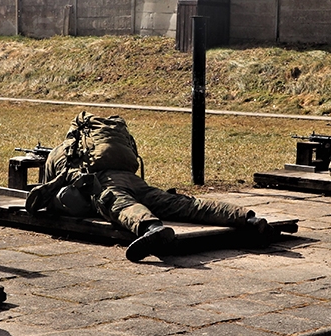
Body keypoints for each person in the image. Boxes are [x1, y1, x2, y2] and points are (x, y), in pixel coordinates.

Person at [25, 112, 274, 262]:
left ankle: (151, 228)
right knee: (183, 204)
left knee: (121, 204)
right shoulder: (111, 144)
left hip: (106, 184)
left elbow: (46, 198)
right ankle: (247, 219)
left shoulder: (61, 152)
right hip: (134, 180)